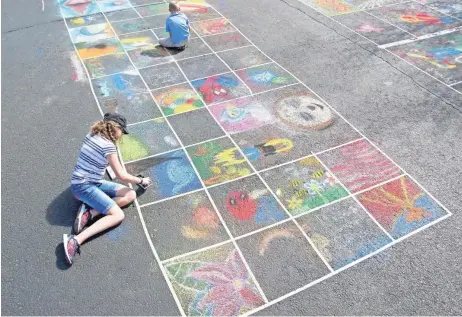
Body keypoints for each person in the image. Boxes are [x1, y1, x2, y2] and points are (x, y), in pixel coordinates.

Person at [63, 113, 152, 266]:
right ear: (115, 128)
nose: (121, 135)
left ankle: (89, 212)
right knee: (118, 215)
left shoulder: (92, 134)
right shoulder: (108, 146)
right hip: (84, 187)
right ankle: (75, 240)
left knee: (130, 194)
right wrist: (141, 180)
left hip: (87, 182)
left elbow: (98, 159)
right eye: (121, 132)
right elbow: (122, 176)